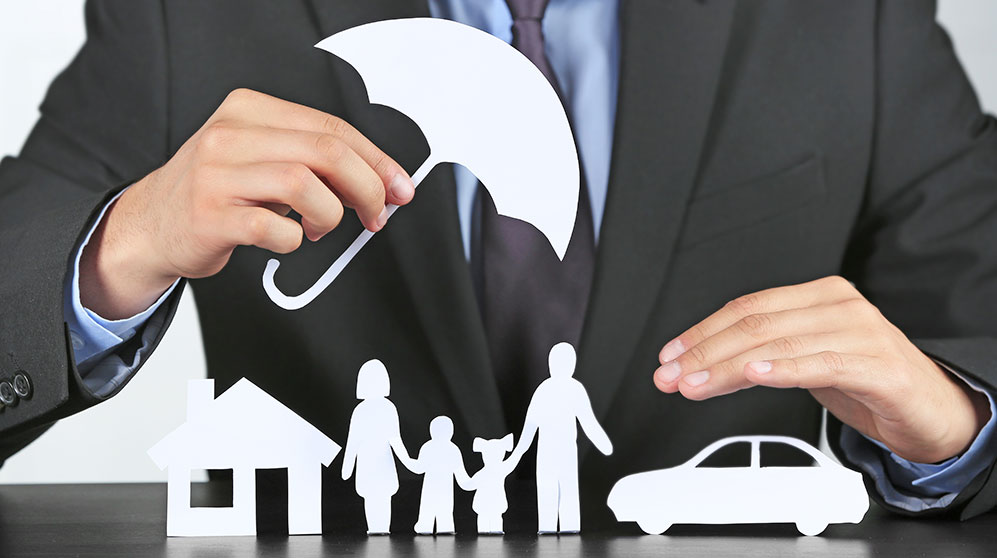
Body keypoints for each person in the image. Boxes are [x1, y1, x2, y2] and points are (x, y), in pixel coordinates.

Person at [1, 0, 996, 528]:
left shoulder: (854, 19)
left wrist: (952, 421)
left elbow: (976, 317)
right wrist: (113, 252)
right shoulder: (185, 13)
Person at [510, 343, 613, 533]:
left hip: (560, 452)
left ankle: (566, 526)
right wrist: (518, 452)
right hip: (554, 452)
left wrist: (604, 443)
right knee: (556, 489)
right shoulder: (557, 389)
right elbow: (531, 426)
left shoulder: (562, 389)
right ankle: (555, 526)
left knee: (563, 489)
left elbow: (587, 421)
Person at [340, 360, 412, 534]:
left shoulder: (364, 409)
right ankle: (377, 528)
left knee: (376, 496)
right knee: (378, 496)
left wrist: (347, 466)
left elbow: (354, 442)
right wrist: (409, 462)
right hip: (372, 462)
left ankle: (378, 528)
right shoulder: (385, 408)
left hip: (372, 462)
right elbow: (394, 440)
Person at [406, 415, 472, 535]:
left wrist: (405, 458)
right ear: (451, 432)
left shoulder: (428, 447)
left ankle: (425, 527)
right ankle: (444, 527)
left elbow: (419, 468)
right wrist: (473, 483)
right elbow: (461, 475)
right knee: (445, 509)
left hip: (431, 487)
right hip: (445, 487)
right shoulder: (453, 449)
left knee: (428, 507)